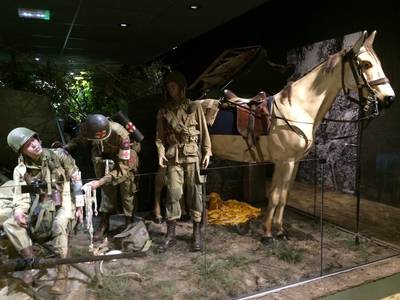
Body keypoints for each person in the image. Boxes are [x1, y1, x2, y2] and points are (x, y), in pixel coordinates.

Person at [4, 127, 84, 294]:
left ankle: (63, 272)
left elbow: (76, 179)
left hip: (64, 201)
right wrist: (19, 211)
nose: (34, 145)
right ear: (21, 150)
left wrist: (80, 205)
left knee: (60, 223)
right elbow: (21, 196)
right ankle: (32, 263)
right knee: (10, 223)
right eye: (27, 144)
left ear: (38, 139)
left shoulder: (59, 155)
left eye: (34, 139)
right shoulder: (21, 170)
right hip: (39, 207)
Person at [155, 71, 212, 252]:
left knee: (195, 193)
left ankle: (196, 234)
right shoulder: (164, 111)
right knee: (172, 193)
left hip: (193, 156)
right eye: (168, 87)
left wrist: (207, 152)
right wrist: (160, 152)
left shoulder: (195, 107)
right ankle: (170, 235)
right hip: (173, 157)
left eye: (174, 86)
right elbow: (159, 138)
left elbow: (204, 133)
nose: (171, 90)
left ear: (181, 88)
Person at [66, 113, 140, 241]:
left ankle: (129, 223)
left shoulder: (121, 136)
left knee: (127, 192)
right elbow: (80, 139)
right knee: (106, 192)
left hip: (125, 160)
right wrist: (66, 147)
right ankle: (104, 222)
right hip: (108, 160)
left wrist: (100, 181)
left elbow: (123, 168)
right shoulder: (91, 128)